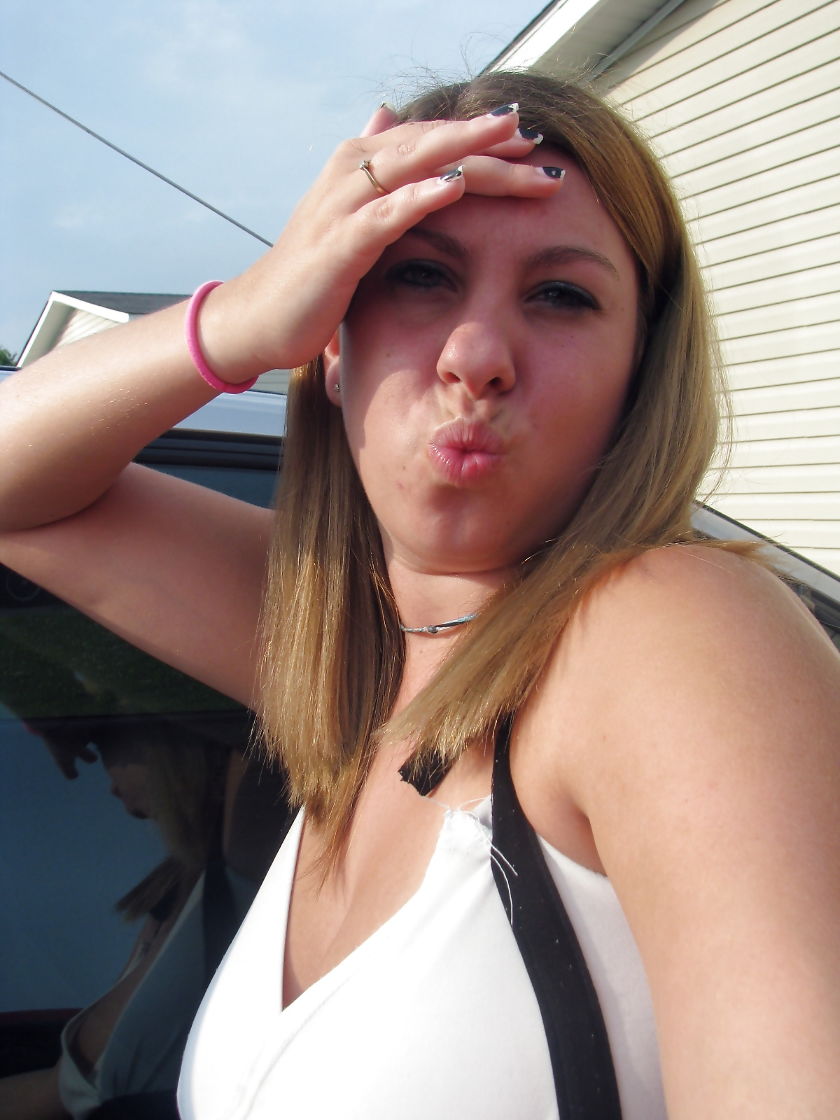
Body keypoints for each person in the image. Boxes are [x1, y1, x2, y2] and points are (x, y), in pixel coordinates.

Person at [0, 69, 838, 1118]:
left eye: (561, 295)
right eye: (420, 276)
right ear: (332, 341)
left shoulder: (670, 634)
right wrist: (247, 316)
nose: (477, 357)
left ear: (638, 374)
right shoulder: (343, 650)